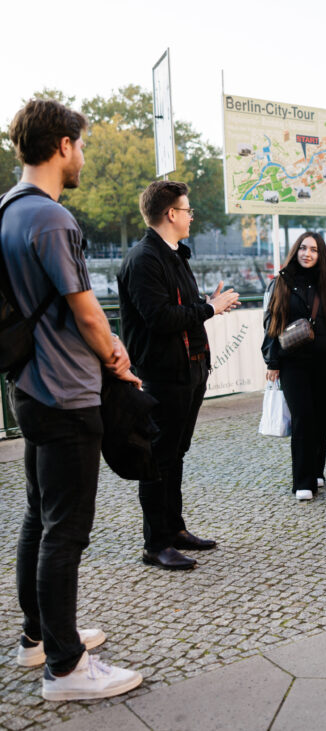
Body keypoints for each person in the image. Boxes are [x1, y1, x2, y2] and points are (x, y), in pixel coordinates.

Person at [3, 99, 142, 700]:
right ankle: (66, 667)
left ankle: (39, 638)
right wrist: (117, 354)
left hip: (28, 387)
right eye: (81, 145)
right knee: (66, 531)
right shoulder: (53, 220)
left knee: (40, 517)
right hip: (66, 392)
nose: (83, 156)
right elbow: (87, 312)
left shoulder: (7, 209)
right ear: (62, 145)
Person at [119, 180, 240, 570]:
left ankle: (174, 528)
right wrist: (210, 309)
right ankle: (155, 544)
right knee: (157, 458)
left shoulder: (173, 255)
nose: (191, 217)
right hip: (162, 374)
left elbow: (181, 309)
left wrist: (207, 304)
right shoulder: (143, 259)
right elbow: (159, 318)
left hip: (189, 370)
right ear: (171, 214)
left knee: (175, 454)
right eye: (188, 210)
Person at [263, 232, 326, 499]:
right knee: (302, 417)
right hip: (293, 362)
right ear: (295, 251)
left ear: (320, 254)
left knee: (321, 416)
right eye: (303, 248)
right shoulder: (281, 283)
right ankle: (303, 481)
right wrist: (272, 360)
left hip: (324, 360)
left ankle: (317, 470)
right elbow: (271, 323)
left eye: (313, 249)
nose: (307, 254)